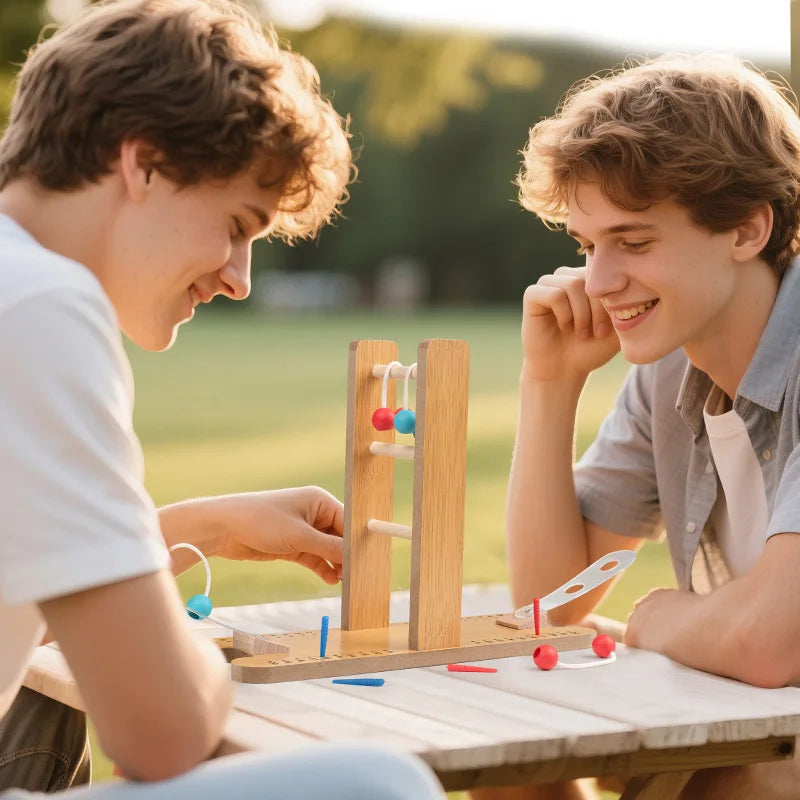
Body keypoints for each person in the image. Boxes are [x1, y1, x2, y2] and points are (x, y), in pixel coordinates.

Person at [0, 1, 445, 798]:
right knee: (379, 785)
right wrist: (217, 655)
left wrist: (190, 530)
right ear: (143, 163)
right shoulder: (38, 307)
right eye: (236, 224)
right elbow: (161, 735)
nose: (239, 278)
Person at [474, 54, 800, 800]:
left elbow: (768, 645)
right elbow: (546, 606)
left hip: (771, 721)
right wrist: (549, 385)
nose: (597, 282)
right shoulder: (668, 367)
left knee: (736, 778)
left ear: (748, 229)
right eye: (588, 246)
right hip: (760, 705)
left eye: (635, 242)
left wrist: (654, 617)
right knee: (515, 760)